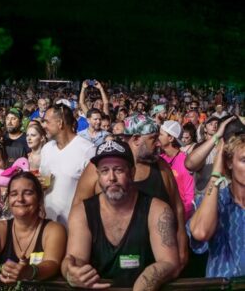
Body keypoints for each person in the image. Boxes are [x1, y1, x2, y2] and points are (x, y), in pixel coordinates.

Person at [62, 140, 180, 289]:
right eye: (104, 171)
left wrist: (148, 278)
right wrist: (71, 273)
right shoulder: (82, 212)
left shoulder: (157, 210)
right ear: (98, 175)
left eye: (118, 170)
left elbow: (169, 262)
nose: (111, 178)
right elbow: (73, 259)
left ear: (132, 172)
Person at [0, 172, 67, 290]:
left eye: (28, 193)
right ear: (8, 200)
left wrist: (30, 271)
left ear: (39, 198)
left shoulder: (53, 229)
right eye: (14, 194)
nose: (20, 199)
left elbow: (52, 263)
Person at [187, 134, 245, 278]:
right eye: (244, 160)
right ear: (230, 162)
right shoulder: (215, 200)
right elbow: (201, 232)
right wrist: (216, 173)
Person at [40, 104, 95, 225]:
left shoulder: (87, 150)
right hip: (47, 225)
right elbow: (42, 182)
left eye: (46, 122)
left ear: (60, 123)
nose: (43, 126)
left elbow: (95, 193)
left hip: (75, 227)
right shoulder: (46, 149)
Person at [158, 120, 195, 219]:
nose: (157, 137)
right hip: (163, 215)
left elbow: (189, 195)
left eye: (161, 134)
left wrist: (182, 219)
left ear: (170, 138)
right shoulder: (160, 159)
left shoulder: (185, 161)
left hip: (180, 216)